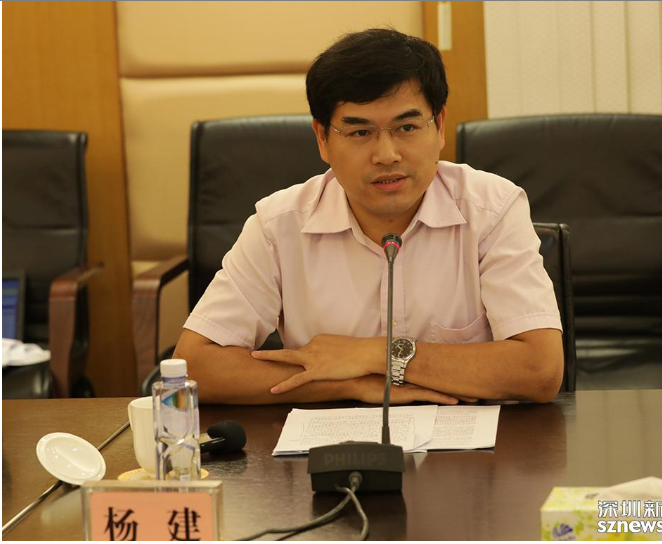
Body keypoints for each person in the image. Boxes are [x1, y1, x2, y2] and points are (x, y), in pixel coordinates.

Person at [175, 28, 563, 405]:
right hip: (329, 443)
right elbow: (194, 367)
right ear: (323, 139)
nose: (387, 155)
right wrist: (350, 385)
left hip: (475, 442)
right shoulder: (279, 225)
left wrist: (376, 354)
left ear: (440, 126)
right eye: (360, 133)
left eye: (407, 127)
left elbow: (540, 369)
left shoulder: (492, 209)